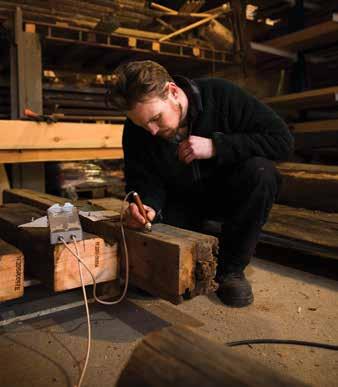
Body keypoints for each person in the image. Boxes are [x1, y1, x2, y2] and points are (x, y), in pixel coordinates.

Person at [106, 60, 293, 307]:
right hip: (181, 201)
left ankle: (230, 270)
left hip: (227, 197)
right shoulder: (136, 129)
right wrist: (147, 205)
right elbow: (141, 179)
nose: (151, 131)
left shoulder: (221, 94)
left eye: (156, 118)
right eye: (143, 124)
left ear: (173, 92)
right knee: (156, 277)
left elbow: (282, 142)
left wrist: (218, 146)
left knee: (262, 172)